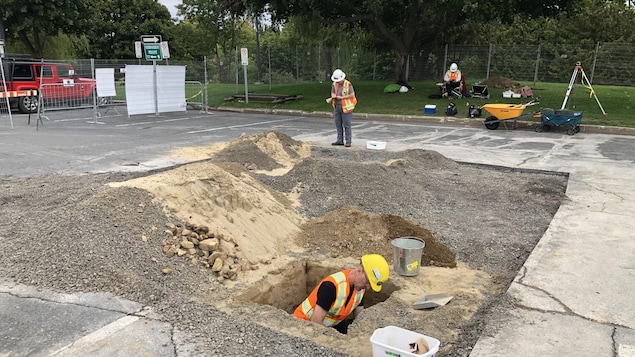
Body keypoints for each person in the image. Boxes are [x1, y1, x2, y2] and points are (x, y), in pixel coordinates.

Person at [293, 254, 389, 334]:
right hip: (303, 326)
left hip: (331, 324)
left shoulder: (360, 287)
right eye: (368, 282)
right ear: (359, 270)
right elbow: (316, 322)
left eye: (370, 285)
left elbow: (359, 318)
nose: (368, 287)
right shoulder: (331, 286)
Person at [329, 69, 357, 147]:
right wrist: (333, 96)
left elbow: (352, 95)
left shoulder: (348, 84)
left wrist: (342, 97)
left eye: (338, 81)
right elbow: (333, 92)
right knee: (338, 124)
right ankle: (339, 140)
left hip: (346, 108)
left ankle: (348, 141)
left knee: (347, 125)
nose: (337, 82)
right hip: (337, 107)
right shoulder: (334, 84)